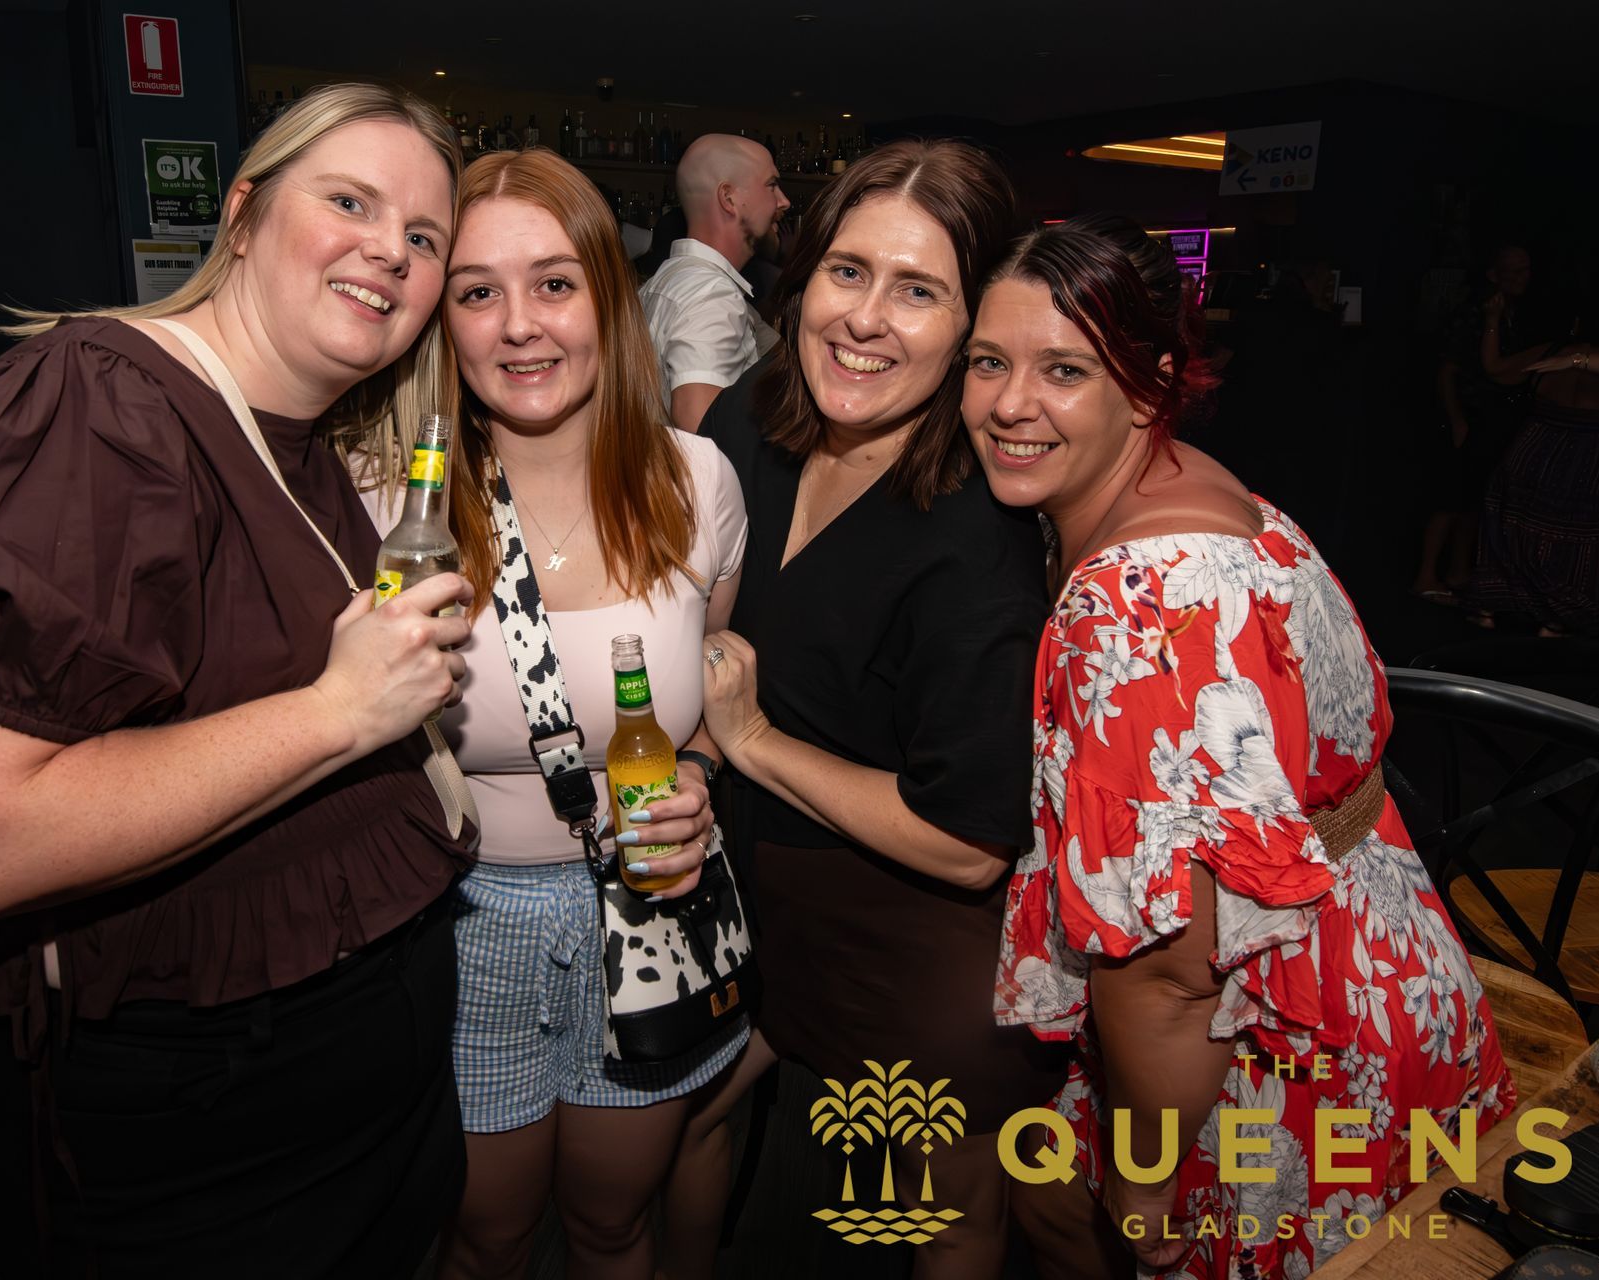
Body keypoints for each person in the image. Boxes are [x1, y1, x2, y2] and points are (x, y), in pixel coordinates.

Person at [0, 83, 478, 1275]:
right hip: (202, 1151)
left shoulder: (304, 444)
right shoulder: (96, 405)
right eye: (350, 202)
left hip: (349, 1120)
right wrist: (340, 711)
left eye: (424, 235)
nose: (390, 250)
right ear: (241, 214)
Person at [965, 215, 1515, 1279]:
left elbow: (1173, 970)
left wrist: (1147, 1180)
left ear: (1149, 385)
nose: (1009, 403)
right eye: (990, 361)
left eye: (1064, 369)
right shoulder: (1202, 486)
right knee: (1044, 1198)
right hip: (1386, 964)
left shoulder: (1134, 600)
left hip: (1281, 1036)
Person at [665, 139, 1071, 1280]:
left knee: (939, 1214)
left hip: (906, 930)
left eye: (919, 290)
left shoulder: (976, 535)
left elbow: (966, 841)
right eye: (848, 272)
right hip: (745, 886)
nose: (866, 318)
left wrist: (751, 740)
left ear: (973, 327)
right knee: (686, 1128)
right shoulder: (747, 425)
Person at [357, 146, 748, 1280]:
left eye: (555, 283)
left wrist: (698, 777)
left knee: (614, 1225)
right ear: (442, 321)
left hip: (649, 909)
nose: (519, 325)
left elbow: (713, 693)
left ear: (609, 300)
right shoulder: (390, 499)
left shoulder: (696, 482)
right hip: (461, 921)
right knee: (484, 1235)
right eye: (478, 291)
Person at [1463, 298, 1599, 637]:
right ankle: (1555, 619)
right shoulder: (1571, 356)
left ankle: (1491, 607)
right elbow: (1497, 371)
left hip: (1535, 448)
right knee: (1573, 539)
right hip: (1587, 458)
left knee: (1514, 526)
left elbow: (1495, 369)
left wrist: (1492, 319)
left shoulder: (1555, 352)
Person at [1411, 245, 1539, 600]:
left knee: (1474, 498)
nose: (1522, 278)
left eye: (1526, 270)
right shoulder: (1473, 314)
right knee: (1449, 496)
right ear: (1494, 274)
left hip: (1493, 418)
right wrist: (1457, 420)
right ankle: (1426, 575)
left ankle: (1458, 570)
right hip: (1467, 416)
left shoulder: (1513, 313)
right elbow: (1447, 371)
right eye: (1513, 271)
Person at [638, 134, 790, 431]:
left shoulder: (669, 280)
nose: (784, 201)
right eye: (772, 185)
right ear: (728, 198)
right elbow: (699, 425)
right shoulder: (711, 296)